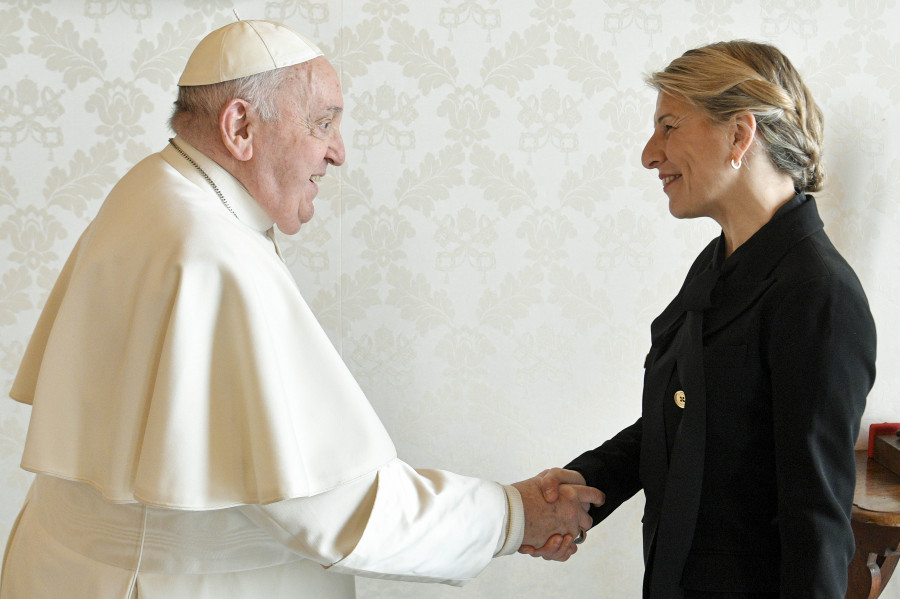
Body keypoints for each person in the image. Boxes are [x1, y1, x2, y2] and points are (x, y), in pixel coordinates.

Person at [0, 19, 603, 599]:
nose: (338, 153)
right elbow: (333, 509)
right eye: (322, 124)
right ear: (241, 127)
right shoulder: (213, 252)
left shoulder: (154, 190)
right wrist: (510, 514)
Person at [524, 41, 877, 598]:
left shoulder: (818, 294)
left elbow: (817, 527)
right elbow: (688, 420)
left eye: (668, 126)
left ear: (740, 134)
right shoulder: (721, 262)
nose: (649, 153)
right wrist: (588, 483)